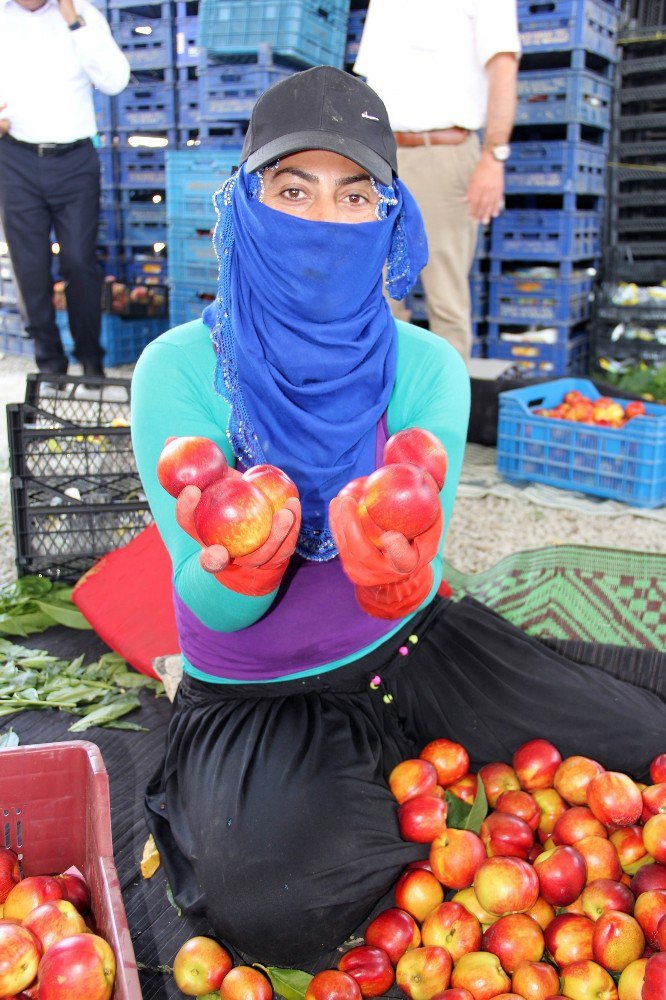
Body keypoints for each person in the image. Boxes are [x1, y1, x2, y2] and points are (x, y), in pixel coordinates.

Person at [130, 67, 664, 970]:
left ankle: (398, 791)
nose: (320, 221)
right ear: (242, 206)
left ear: (390, 219)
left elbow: (423, 546)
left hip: (414, 650)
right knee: (278, 906)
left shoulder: (425, 367)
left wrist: (402, 575)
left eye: (354, 194)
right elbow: (202, 599)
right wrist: (238, 575)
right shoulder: (177, 370)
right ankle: (376, 800)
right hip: (256, 697)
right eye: (291, 189)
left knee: (644, 748)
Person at [354, 0, 520, 360]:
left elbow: (503, 67)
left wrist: (494, 156)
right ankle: (380, 412)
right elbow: (373, 82)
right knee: (373, 294)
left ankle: (448, 415)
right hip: (380, 152)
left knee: (446, 298)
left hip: (445, 151)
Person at [0, 0, 130, 381]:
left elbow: (115, 80)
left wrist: (73, 20)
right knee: (30, 267)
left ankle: (91, 362)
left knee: (78, 260)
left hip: (75, 159)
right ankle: (51, 366)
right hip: (15, 157)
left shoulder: (83, 15)